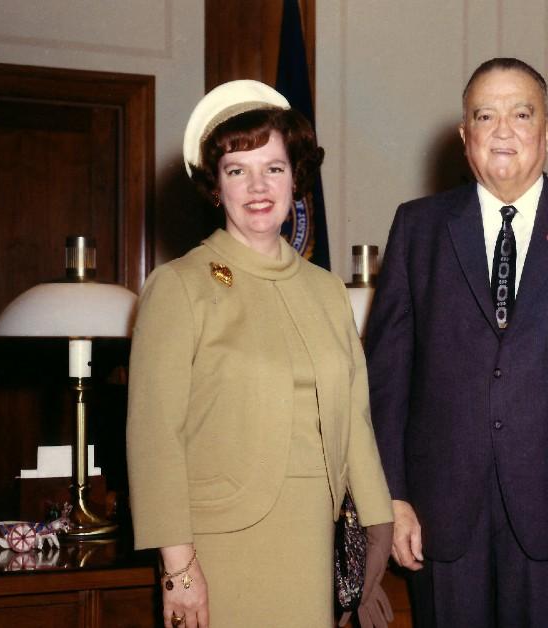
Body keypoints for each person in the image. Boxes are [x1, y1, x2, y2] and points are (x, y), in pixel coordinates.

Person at [363, 57, 548, 628]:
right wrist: (391, 499)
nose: (503, 130)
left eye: (521, 113)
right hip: (442, 511)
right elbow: (386, 378)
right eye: (485, 116)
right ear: (465, 137)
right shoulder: (417, 227)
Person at [126, 79, 393, 628]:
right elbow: (154, 436)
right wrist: (178, 568)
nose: (257, 186)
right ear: (214, 186)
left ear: (296, 177)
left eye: (273, 168)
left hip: (315, 536)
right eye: (236, 170)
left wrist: (378, 534)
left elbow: (356, 422)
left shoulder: (325, 289)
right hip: (219, 543)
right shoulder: (179, 285)